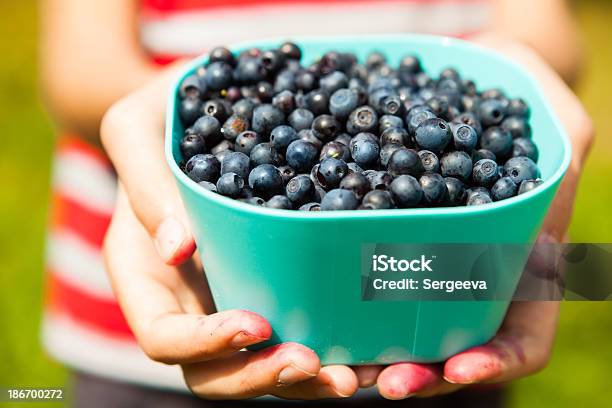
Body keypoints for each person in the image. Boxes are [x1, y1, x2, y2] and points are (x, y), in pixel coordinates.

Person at [40, 0, 593, 406]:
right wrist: (145, 118)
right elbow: (80, 67)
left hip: (439, 307)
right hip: (172, 304)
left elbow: (545, 35)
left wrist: (526, 71)